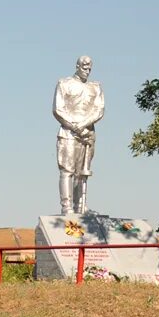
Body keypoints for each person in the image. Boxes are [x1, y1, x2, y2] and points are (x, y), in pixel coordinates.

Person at [52, 56, 105, 213]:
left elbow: (99, 109)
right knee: (67, 170)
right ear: (77, 66)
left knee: (83, 172)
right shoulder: (64, 84)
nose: (87, 71)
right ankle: (67, 206)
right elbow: (58, 109)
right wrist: (75, 127)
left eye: (89, 68)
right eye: (84, 67)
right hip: (68, 132)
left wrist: (84, 125)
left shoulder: (95, 87)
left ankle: (80, 205)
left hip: (87, 132)